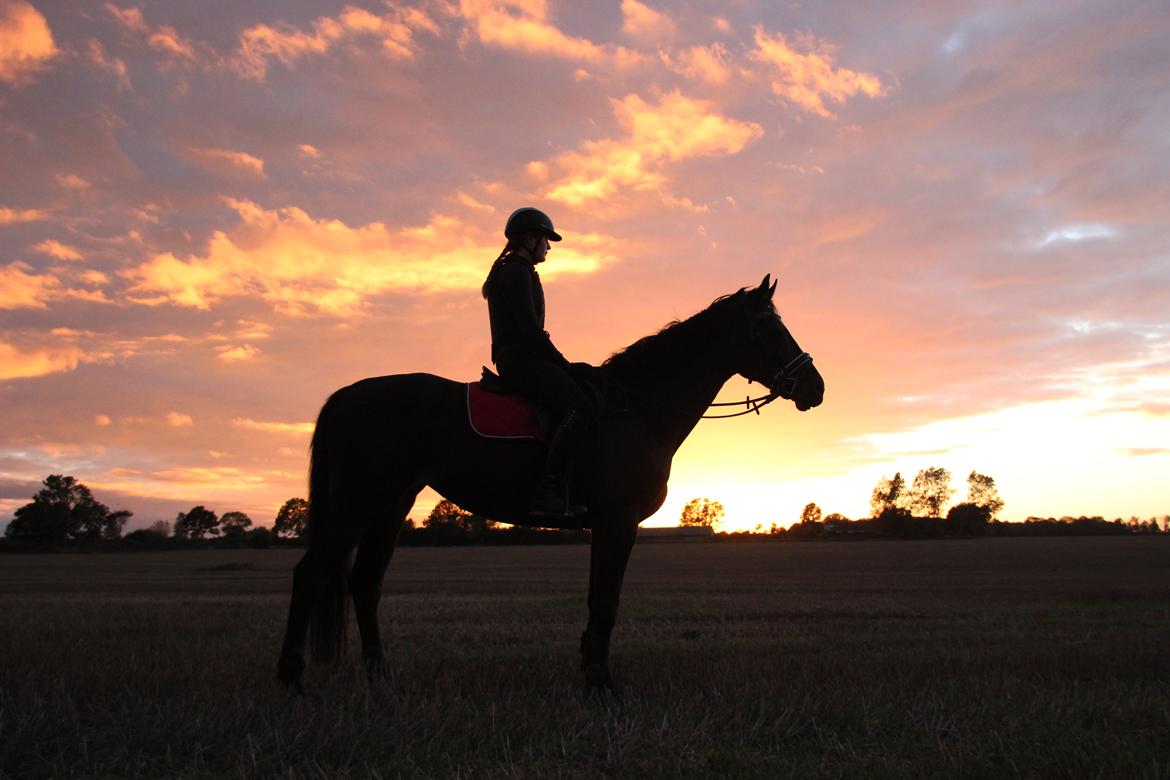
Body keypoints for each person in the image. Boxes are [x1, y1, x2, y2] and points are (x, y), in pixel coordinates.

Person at [482, 207, 594, 518]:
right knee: (579, 408)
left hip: (524, 357)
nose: (548, 247)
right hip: (522, 360)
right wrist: (561, 363)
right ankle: (546, 489)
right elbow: (530, 332)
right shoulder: (515, 272)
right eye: (546, 240)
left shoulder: (517, 271)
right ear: (530, 238)